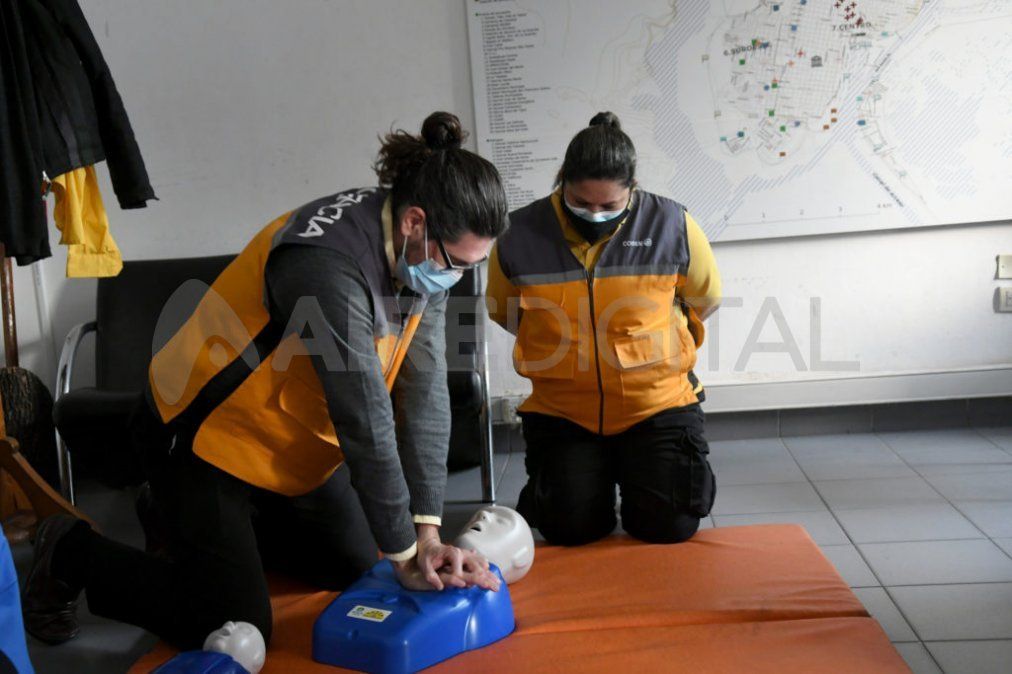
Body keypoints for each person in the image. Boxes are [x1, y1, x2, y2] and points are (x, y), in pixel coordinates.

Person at [23, 111, 509, 649]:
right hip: (200, 436)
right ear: (415, 222)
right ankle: (69, 551)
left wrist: (426, 531)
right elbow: (365, 416)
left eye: (471, 266)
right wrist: (406, 556)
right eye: (455, 262)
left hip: (287, 443)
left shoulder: (421, 252)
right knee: (231, 621)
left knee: (351, 564)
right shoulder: (326, 266)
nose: (455, 278)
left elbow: (424, 394)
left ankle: (188, 525)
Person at [486, 112, 721, 547]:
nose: (594, 213)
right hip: (564, 409)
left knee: (667, 527)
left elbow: (703, 300)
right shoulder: (518, 233)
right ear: (562, 182)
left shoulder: (672, 223)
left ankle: (634, 471)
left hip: (657, 404)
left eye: (609, 205)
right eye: (581, 202)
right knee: (568, 530)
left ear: (632, 189)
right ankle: (593, 476)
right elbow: (504, 311)